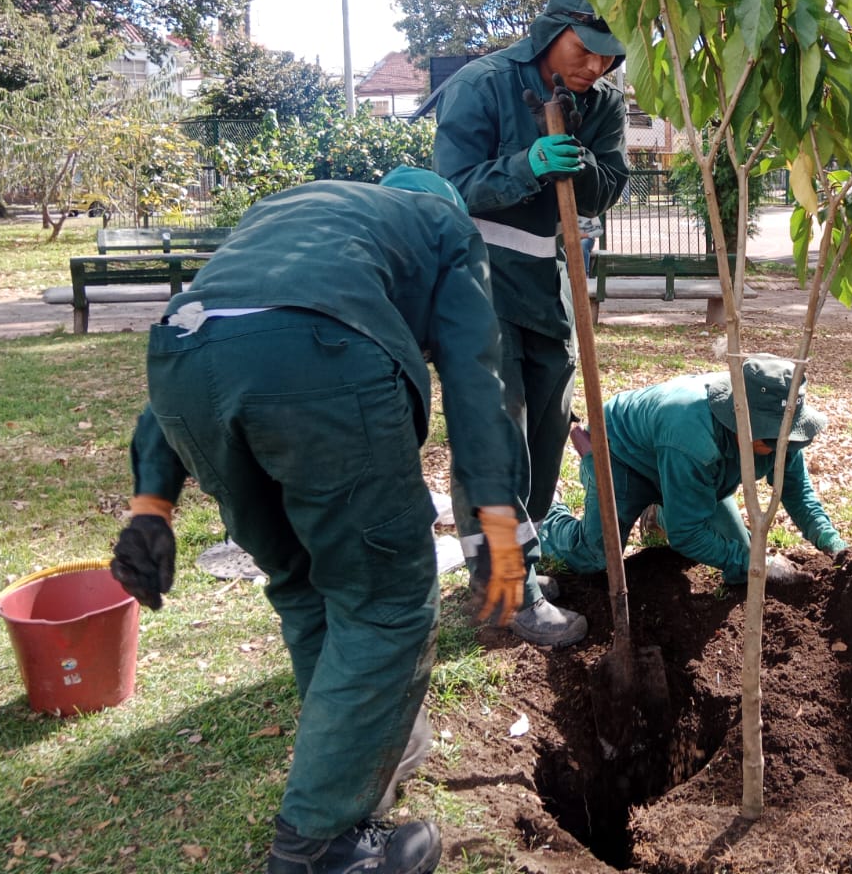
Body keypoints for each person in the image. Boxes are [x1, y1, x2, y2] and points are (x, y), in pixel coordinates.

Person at [107, 168, 533, 874]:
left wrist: (152, 504)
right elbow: (472, 373)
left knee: (304, 584)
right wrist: (495, 519)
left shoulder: (293, 213)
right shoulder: (445, 226)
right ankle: (318, 846)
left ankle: (351, 768)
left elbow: (225, 332)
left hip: (182, 366)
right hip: (321, 372)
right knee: (390, 603)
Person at [431, 0, 629, 648]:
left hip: (552, 286)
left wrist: (579, 168)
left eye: (608, 55)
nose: (595, 65)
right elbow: (450, 192)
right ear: (552, 29)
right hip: (478, 288)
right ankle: (503, 590)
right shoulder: (478, 87)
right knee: (494, 438)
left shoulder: (600, 101)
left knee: (544, 435)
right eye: (585, 47)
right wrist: (526, 165)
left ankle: (522, 566)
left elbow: (610, 186)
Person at [538, 355, 848, 586]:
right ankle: (548, 511)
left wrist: (832, 543)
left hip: (684, 469)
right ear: (743, 428)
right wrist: (760, 564)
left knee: (742, 563)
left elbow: (797, 493)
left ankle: (662, 513)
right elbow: (687, 535)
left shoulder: (779, 431)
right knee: (595, 556)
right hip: (621, 455)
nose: (786, 448)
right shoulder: (694, 436)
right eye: (774, 441)